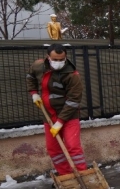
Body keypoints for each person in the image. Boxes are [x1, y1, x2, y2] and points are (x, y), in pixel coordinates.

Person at [26, 44, 87, 175]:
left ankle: (82, 174)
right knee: (53, 149)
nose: (58, 62)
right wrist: (34, 93)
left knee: (72, 147)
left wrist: (60, 122)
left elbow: (74, 100)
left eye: (61, 59)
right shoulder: (39, 66)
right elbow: (30, 76)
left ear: (65, 57)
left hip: (69, 116)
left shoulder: (72, 75)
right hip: (48, 116)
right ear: (48, 57)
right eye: (55, 59)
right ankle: (65, 175)